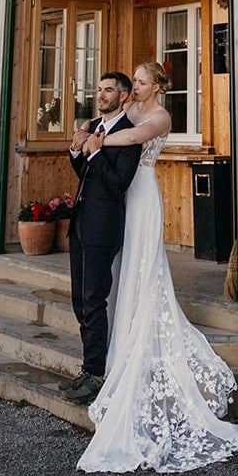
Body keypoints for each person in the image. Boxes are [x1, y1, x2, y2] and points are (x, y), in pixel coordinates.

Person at [74, 59, 238, 473]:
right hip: (121, 199)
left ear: (157, 85)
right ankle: (118, 340)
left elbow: (135, 137)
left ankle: (140, 333)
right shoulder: (133, 108)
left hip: (143, 195)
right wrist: (91, 131)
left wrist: (98, 141)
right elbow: (114, 120)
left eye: (141, 82)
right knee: (124, 271)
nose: (135, 88)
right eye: (134, 83)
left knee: (145, 268)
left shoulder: (158, 116)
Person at [60, 71, 140, 407]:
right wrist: (77, 152)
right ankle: (88, 367)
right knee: (79, 300)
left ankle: (95, 375)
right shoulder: (94, 126)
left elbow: (119, 182)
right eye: (99, 89)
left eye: (109, 90)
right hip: (80, 223)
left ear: (123, 96)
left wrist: (94, 153)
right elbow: (87, 175)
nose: (102, 94)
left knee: (93, 300)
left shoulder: (128, 133)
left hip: (103, 228)